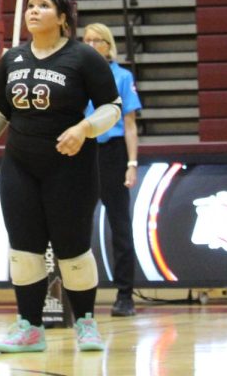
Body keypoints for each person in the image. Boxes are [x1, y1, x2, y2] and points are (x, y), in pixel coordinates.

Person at [0, 0, 122, 354]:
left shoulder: (83, 58)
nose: (33, 11)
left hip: (70, 169)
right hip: (19, 167)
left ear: (62, 17)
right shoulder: (12, 59)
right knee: (24, 252)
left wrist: (84, 128)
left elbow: (112, 107)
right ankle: (30, 328)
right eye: (31, 6)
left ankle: (86, 323)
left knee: (73, 252)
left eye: (43, 6)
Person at [81, 22, 142, 317]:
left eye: (97, 41)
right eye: (87, 40)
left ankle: (125, 295)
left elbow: (130, 125)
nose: (91, 45)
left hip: (113, 153)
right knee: (78, 226)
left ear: (108, 45)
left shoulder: (122, 76)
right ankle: (78, 296)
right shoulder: (77, 75)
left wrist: (131, 164)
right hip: (82, 150)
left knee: (119, 225)